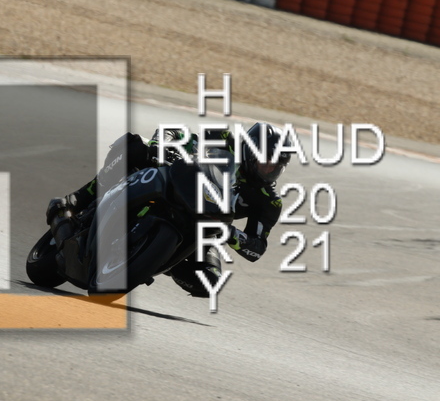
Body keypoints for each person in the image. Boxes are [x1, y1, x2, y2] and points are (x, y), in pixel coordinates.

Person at [46, 122, 292, 297]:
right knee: (137, 147)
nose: (269, 169)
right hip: (176, 186)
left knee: (209, 282)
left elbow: (256, 248)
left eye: (276, 166)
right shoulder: (225, 139)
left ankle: (160, 259)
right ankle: (80, 198)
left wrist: (229, 233)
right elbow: (174, 132)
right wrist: (161, 146)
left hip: (203, 228)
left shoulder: (268, 201)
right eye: (265, 161)